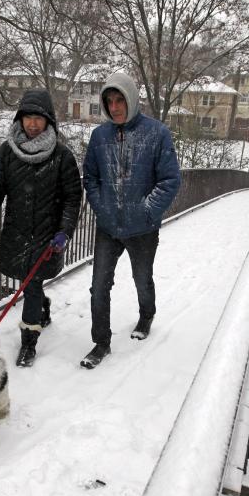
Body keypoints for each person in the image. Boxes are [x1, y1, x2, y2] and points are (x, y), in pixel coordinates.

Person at [0, 89, 82, 367]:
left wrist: (64, 231)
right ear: (19, 119)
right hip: (16, 234)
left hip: (48, 237)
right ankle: (42, 308)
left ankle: (28, 343)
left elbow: (72, 198)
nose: (32, 124)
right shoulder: (7, 153)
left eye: (38, 119)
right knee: (30, 283)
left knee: (31, 284)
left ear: (49, 122)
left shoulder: (61, 156)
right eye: (27, 118)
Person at [79, 72, 181, 368]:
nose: (114, 106)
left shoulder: (157, 133)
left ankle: (146, 315)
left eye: (119, 99)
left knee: (141, 277)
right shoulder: (100, 137)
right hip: (108, 227)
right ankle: (101, 342)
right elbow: (91, 178)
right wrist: (102, 208)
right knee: (99, 286)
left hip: (143, 228)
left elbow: (170, 180)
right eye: (109, 101)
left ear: (131, 99)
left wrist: (147, 210)